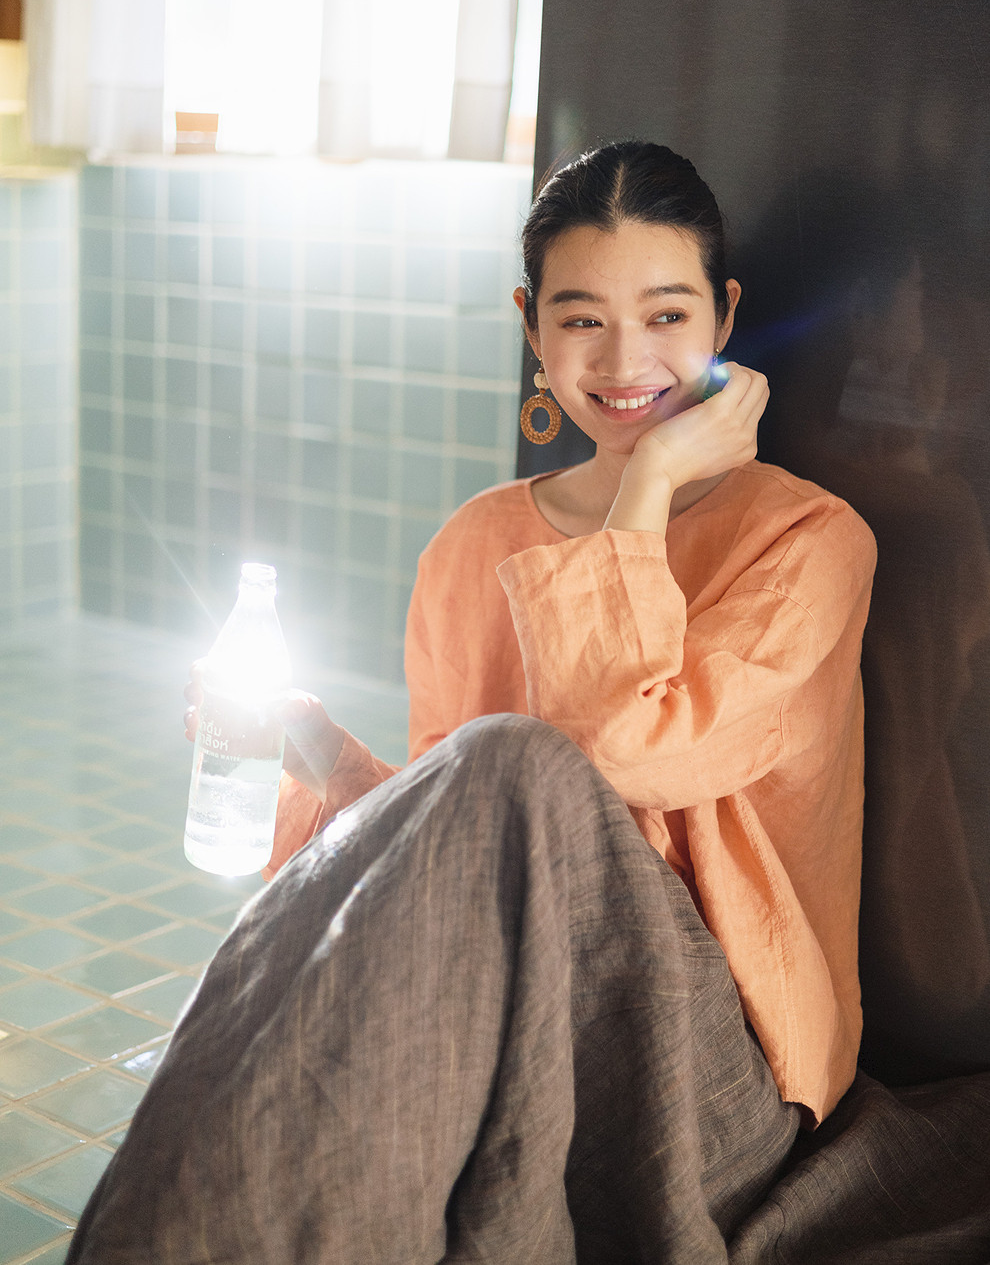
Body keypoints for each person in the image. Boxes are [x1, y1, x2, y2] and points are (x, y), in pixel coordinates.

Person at [69, 141, 890, 1262]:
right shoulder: (474, 544)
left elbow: (614, 756)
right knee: (319, 1021)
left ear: (725, 316)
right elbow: (466, 849)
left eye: (666, 315)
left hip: (710, 1082)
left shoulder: (809, 543)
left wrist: (646, 485)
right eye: (581, 318)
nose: (625, 359)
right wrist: (319, 753)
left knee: (512, 762)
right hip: (515, 1016)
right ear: (530, 326)